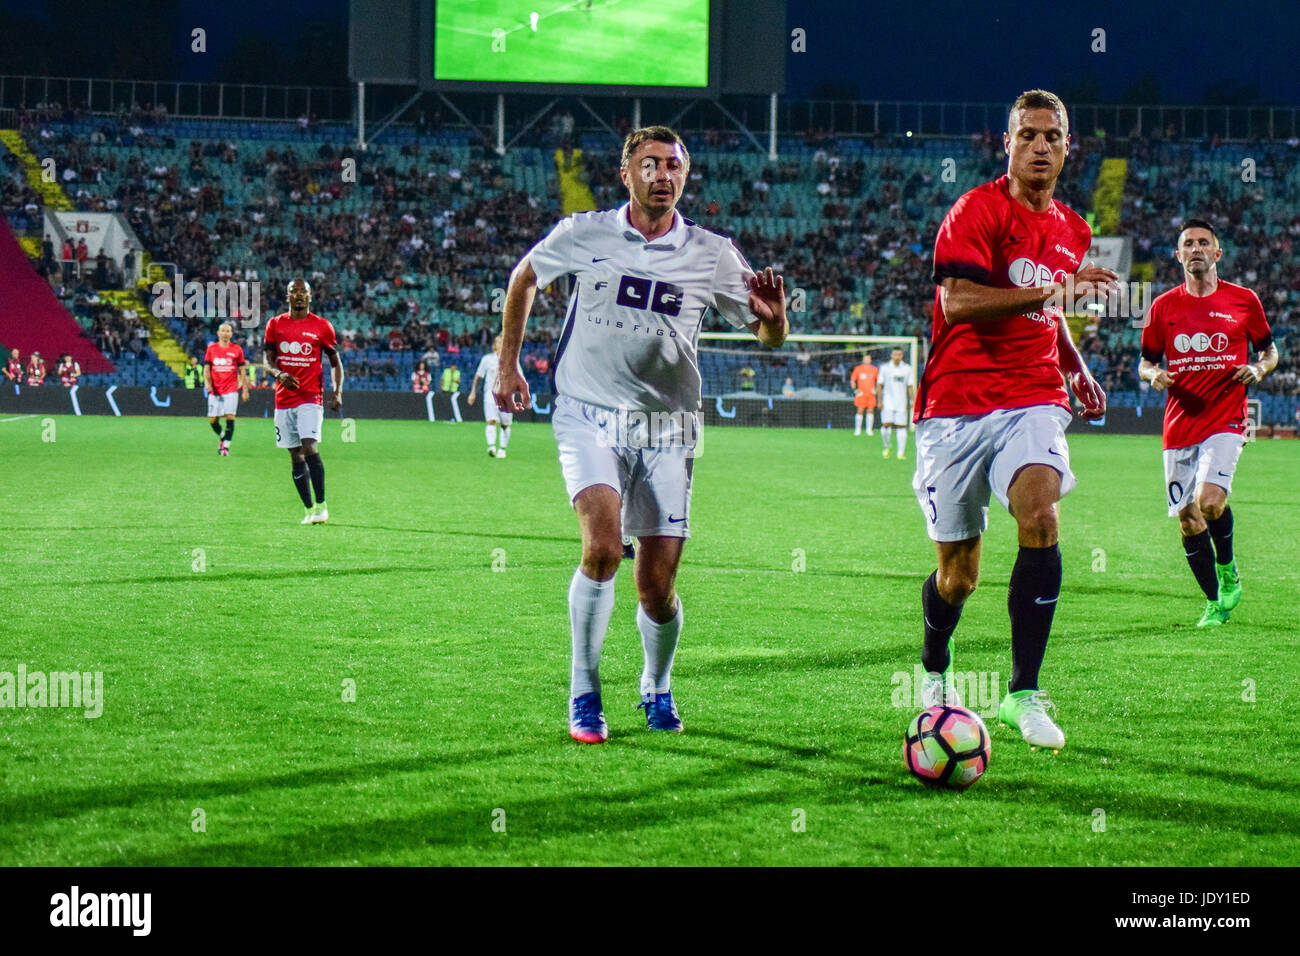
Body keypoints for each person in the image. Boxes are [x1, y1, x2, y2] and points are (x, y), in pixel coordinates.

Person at [493, 125, 788, 744]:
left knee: (656, 587)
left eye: (674, 165)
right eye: (650, 164)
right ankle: (584, 689)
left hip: (668, 426)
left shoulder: (711, 252)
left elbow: (765, 334)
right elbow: (524, 276)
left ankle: (655, 684)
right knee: (601, 547)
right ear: (625, 174)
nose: (663, 175)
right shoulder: (585, 232)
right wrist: (508, 362)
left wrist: (776, 322)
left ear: (686, 175)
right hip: (587, 413)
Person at [912, 90, 1114, 752]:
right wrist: (1056, 294)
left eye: (1052, 136)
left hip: (1033, 394)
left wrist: (1076, 367)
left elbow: (1044, 317)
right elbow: (960, 301)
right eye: (1027, 135)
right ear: (1007, 143)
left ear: (1066, 146)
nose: (1040, 146)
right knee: (958, 576)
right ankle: (936, 667)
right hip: (954, 405)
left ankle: (1023, 691)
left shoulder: (1074, 230)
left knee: (1040, 514)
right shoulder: (975, 209)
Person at [1138, 220, 1277, 627]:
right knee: (1187, 518)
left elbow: (1270, 351)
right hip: (1179, 422)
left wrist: (1259, 369)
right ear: (1178, 255)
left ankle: (1228, 567)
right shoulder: (1163, 307)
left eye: (1203, 243)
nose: (1195, 248)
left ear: (1217, 254)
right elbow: (1146, 361)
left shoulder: (1243, 300)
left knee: (1210, 501)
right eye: (1188, 244)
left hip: (1227, 417)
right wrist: (1153, 376)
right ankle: (1215, 601)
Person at [262, 278, 343, 524]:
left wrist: (337, 390)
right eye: (293, 291)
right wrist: (279, 374)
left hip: (310, 396)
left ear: (310, 296)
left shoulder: (322, 326)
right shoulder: (275, 324)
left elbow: (335, 362)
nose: (298, 295)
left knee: (309, 447)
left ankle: (322, 505)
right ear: (287, 297)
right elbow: (267, 360)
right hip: (283, 399)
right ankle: (309, 509)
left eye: (303, 292)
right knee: (295, 455)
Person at [204, 322, 251, 456]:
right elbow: (207, 369)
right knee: (213, 420)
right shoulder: (211, 349)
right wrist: (208, 384)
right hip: (215, 390)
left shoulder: (237, 349)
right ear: (218, 333)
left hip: (231, 389)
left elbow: (242, 371)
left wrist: (245, 389)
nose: (225, 333)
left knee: (230, 417)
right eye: (223, 330)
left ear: (231, 333)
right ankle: (223, 436)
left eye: (228, 331)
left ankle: (225, 448)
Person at [468, 336, 512, 458]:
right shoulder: (487, 359)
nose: (501, 344)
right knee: (491, 420)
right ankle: (491, 446)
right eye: (499, 342)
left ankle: (502, 449)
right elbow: (478, 377)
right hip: (490, 394)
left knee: (505, 424)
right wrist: (473, 392)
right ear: (495, 345)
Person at [878, 347, 916, 459]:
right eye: (895, 354)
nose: (897, 357)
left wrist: (912, 400)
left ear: (902, 356)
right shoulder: (885, 368)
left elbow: (910, 386)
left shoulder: (907, 369)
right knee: (886, 424)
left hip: (901, 402)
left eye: (899, 354)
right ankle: (887, 446)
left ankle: (900, 453)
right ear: (891, 355)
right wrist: (879, 400)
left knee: (901, 426)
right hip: (887, 401)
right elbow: (879, 385)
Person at [850, 352, 878, 436]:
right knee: (860, 410)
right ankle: (858, 429)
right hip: (861, 394)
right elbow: (852, 380)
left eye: (868, 358)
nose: (867, 360)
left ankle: (869, 429)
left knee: (870, 411)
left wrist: (876, 390)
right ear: (863, 360)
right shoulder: (858, 369)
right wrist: (855, 390)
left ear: (870, 360)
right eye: (865, 358)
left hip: (871, 394)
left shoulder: (874, 369)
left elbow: (879, 381)